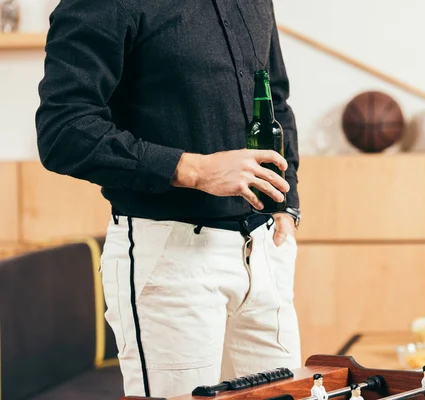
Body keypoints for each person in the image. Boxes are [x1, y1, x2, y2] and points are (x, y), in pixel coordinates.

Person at [34, 0, 302, 398]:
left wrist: (288, 202)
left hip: (265, 255)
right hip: (171, 263)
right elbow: (63, 130)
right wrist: (194, 170)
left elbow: (275, 97)